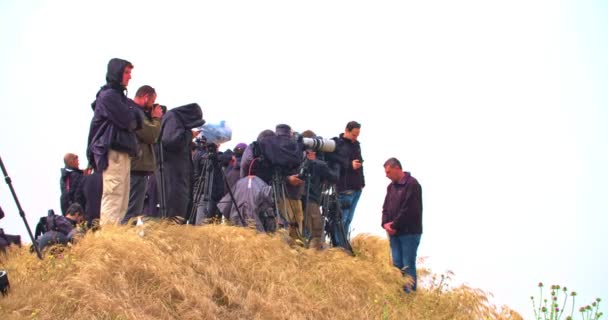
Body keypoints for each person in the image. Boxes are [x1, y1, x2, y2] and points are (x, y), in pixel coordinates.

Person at [87, 58, 142, 225]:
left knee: (122, 199)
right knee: (114, 197)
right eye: (126, 72)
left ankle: (115, 238)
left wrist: (135, 114)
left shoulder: (117, 96)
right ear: (117, 73)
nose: (129, 77)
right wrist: (135, 114)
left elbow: (138, 118)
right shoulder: (109, 96)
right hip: (112, 151)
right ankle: (109, 240)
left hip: (121, 151)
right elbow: (128, 120)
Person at [122, 86, 163, 224]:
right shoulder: (135, 112)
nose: (152, 105)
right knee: (132, 211)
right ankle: (125, 239)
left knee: (132, 210)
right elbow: (151, 134)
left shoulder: (135, 111)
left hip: (136, 167)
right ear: (146, 97)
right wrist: (156, 119)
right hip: (136, 168)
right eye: (152, 101)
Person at [381, 157, 423, 292]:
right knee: (397, 264)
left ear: (397, 168)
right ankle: (399, 292)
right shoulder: (391, 187)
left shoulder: (412, 184)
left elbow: (409, 209)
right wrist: (385, 223)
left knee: (408, 264)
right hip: (394, 233)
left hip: (409, 233)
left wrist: (393, 226)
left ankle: (409, 294)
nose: (386, 175)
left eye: (388, 172)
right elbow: (385, 207)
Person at [158, 103, 205, 220]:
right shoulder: (173, 118)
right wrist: (190, 135)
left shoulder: (174, 119)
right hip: (172, 175)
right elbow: (170, 141)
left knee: (180, 209)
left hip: (176, 174)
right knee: (175, 211)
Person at [326, 121, 365, 243]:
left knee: (348, 220)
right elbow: (330, 159)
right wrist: (348, 164)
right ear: (346, 131)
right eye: (354, 135)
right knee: (341, 219)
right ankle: (339, 246)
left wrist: (362, 181)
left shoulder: (356, 145)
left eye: (357, 135)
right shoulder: (337, 144)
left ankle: (343, 244)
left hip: (357, 187)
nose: (355, 138)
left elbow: (360, 164)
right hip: (344, 187)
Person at [300, 130, 339, 249]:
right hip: (310, 199)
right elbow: (334, 177)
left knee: (301, 232)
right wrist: (335, 162)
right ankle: (314, 258)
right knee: (316, 232)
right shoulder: (316, 163)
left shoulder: (297, 156)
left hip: (298, 199)